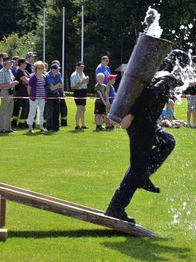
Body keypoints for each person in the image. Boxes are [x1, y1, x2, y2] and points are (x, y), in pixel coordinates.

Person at [105, 49, 185, 224]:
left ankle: (144, 175)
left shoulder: (162, 74)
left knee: (168, 141)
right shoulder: (167, 78)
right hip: (141, 125)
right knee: (136, 169)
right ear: (178, 66)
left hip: (145, 125)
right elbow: (148, 95)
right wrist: (131, 115)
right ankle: (116, 208)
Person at [0, 58, 18, 133]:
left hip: (10, 92)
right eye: (10, 63)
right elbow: (0, 85)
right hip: (5, 92)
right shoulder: (2, 72)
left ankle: (7, 127)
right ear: (6, 63)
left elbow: (11, 80)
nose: (11, 64)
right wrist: (11, 84)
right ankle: (0, 128)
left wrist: (13, 82)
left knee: (9, 111)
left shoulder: (9, 71)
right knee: (3, 111)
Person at [27, 61, 48, 133]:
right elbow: (29, 87)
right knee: (32, 112)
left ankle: (41, 127)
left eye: (42, 68)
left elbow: (45, 86)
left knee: (41, 112)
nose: (40, 69)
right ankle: (30, 127)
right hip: (34, 97)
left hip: (42, 97)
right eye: (39, 68)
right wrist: (30, 95)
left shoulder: (44, 77)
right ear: (36, 69)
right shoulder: (33, 77)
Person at [71, 61, 89, 130]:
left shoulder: (83, 74)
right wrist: (82, 82)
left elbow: (85, 83)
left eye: (83, 67)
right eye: (80, 67)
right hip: (78, 92)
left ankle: (83, 124)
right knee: (79, 109)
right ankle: (77, 125)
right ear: (76, 67)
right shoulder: (74, 75)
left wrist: (86, 80)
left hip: (84, 91)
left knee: (83, 109)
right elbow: (73, 87)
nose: (82, 68)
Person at [12, 58, 30, 129]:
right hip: (20, 93)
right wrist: (27, 80)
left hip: (26, 92)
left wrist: (28, 80)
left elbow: (29, 79)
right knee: (17, 109)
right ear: (21, 64)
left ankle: (23, 123)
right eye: (25, 63)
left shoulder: (25, 72)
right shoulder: (19, 72)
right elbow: (27, 81)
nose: (26, 65)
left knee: (25, 109)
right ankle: (15, 123)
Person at [45, 64, 63, 132]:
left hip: (56, 94)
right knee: (50, 112)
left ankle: (56, 127)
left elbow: (61, 85)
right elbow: (51, 88)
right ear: (52, 70)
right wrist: (57, 85)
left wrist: (56, 86)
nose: (58, 71)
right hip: (49, 94)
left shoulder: (58, 74)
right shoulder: (48, 76)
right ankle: (50, 127)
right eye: (56, 69)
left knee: (57, 111)